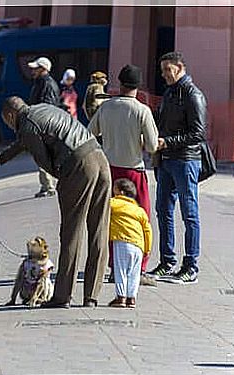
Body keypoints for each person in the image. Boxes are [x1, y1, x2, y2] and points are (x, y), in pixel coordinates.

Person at [0, 96, 111, 309]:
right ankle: (91, 296)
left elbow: (43, 160)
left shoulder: (27, 125)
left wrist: (63, 180)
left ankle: (62, 296)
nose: (10, 127)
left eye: (7, 123)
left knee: (71, 231)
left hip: (78, 165)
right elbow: (22, 144)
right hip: (99, 157)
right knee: (99, 230)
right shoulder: (41, 109)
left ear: (10, 115)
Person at [89, 64, 158, 280]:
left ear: (119, 84)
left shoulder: (106, 107)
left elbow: (90, 133)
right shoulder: (141, 110)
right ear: (138, 86)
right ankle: (139, 268)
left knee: (111, 219)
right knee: (140, 219)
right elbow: (152, 145)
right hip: (133, 172)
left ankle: (112, 266)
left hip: (109, 170)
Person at [147, 52, 207, 284]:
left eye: (167, 70)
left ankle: (191, 265)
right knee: (163, 210)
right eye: (162, 70)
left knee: (189, 214)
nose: (164, 75)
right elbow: (162, 121)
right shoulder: (170, 93)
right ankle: (167, 261)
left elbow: (198, 133)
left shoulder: (193, 95)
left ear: (180, 67)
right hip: (166, 161)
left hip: (185, 160)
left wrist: (168, 141)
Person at [108, 178, 152, 309]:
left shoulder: (113, 203)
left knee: (120, 269)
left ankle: (121, 297)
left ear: (120, 192)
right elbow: (147, 229)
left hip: (122, 241)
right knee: (134, 273)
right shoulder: (139, 210)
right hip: (139, 245)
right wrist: (147, 248)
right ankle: (131, 298)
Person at [27, 56, 61, 198]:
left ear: (43, 69)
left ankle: (48, 186)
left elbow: (48, 107)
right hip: (40, 124)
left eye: (36, 68)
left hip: (44, 126)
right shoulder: (40, 82)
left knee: (43, 155)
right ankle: (46, 185)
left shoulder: (48, 85)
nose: (32, 71)